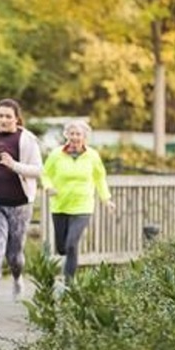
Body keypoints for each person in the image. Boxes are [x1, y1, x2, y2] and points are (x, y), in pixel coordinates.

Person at [0, 98, 43, 319]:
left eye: (9, 116)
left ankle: (17, 277)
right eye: (1, 116)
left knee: (14, 254)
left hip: (19, 205)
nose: (4, 120)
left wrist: (14, 165)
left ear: (17, 118)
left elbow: (38, 170)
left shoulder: (26, 139)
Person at [41, 119, 115, 289]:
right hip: (60, 205)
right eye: (71, 133)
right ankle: (68, 263)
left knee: (72, 244)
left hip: (83, 206)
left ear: (84, 136)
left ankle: (69, 283)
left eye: (78, 134)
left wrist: (106, 199)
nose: (74, 137)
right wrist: (48, 187)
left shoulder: (92, 156)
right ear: (66, 135)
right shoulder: (56, 154)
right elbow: (45, 174)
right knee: (61, 248)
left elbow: (99, 178)